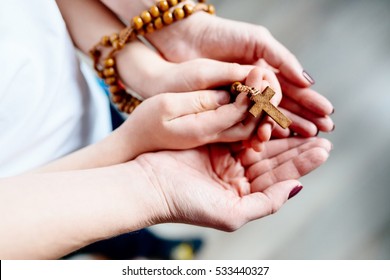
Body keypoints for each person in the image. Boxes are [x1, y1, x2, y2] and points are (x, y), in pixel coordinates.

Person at [0, 0, 333, 259]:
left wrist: (150, 68)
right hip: (45, 213)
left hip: (88, 107)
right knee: (96, 240)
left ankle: (148, 247)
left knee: (132, 236)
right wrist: (142, 176)